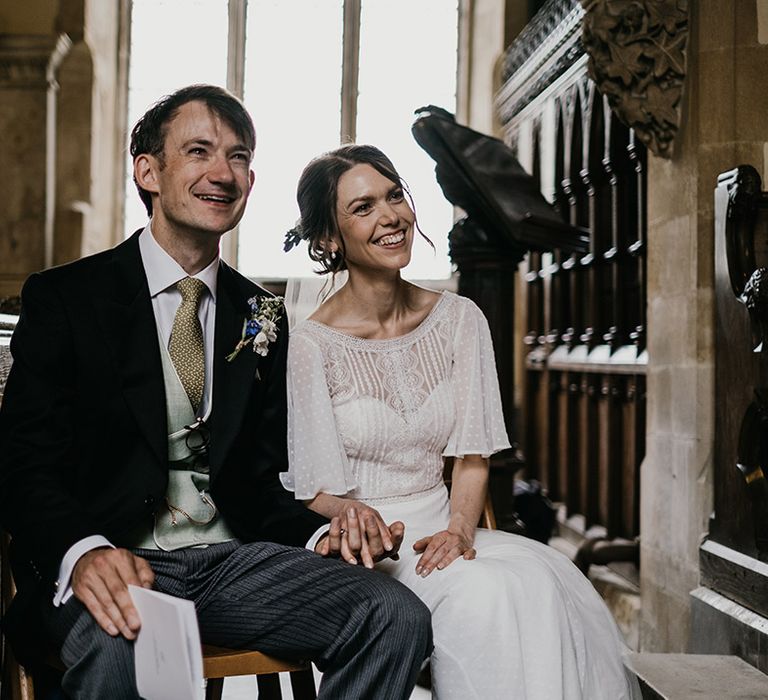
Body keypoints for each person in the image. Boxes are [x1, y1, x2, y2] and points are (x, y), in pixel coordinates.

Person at [0, 86, 432, 699]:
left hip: (235, 565)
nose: (222, 173)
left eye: (238, 157)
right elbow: (23, 464)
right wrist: (85, 551)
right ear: (147, 171)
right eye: (199, 151)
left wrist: (318, 535)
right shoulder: (68, 299)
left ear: (251, 183)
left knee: (394, 615)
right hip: (113, 556)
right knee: (122, 638)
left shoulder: (262, 314)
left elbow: (262, 477)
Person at [282, 144, 640, 699]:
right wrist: (359, 519)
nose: (390, 216)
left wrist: (460, 530)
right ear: (329, 239)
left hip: (448, 523)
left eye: (394, 195)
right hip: (366, 547)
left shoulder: (460, 320)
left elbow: (473, 457)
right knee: (486, 595)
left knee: (541, 585)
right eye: (363, 207)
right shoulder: (311, 345)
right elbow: (316, 492)